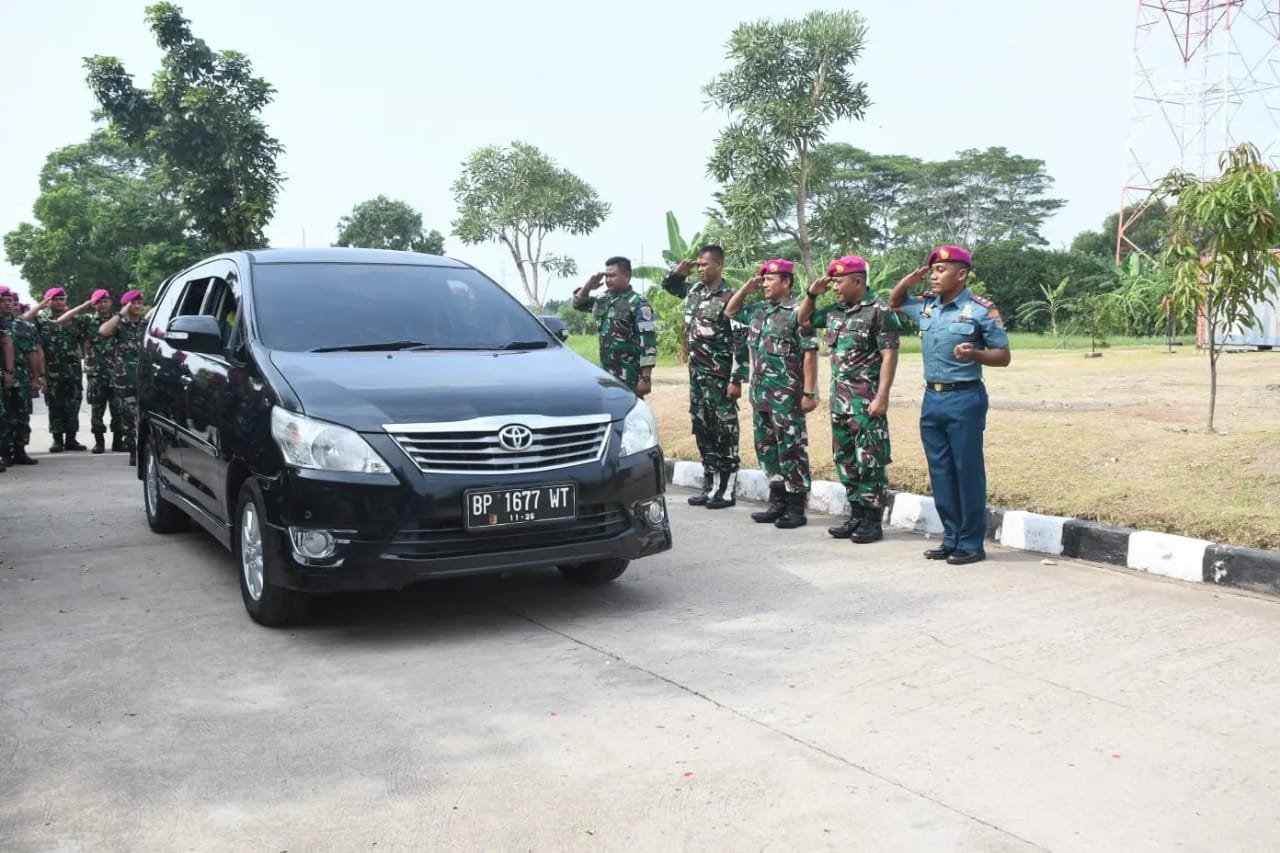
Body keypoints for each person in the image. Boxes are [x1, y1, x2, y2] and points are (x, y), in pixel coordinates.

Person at [888, 245, 1011, 565]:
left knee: (966, 471)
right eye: (932, 270)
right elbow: (895, 302)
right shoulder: (927, 306)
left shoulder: (981, 310)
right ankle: (951, 536)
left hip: (964, 398)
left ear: (961, 274)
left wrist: (974, 354)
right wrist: (907, 282)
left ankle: (971, 543)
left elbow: (1003, 356)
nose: (934, 276)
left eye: (941, 270)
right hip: (932, 398)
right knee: (940, 471)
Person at [798, 255, 901, 544]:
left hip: (866, 402)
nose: (835, 288)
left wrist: (882, 396)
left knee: (870, 461)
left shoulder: (879, 312)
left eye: (839, 282)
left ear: (858, 281)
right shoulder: (835, 312)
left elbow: (889, 356)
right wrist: (811, 295)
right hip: (839, 403)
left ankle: (872, 521)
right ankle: (856, 514)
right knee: (845, 459)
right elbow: (803, 319)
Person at [726, 259, 818, 529]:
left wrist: (809, 393)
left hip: (787, 396)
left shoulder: (799, 312)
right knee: (766, 449)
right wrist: (747, 287)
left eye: (770, 279)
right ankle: (778, 502)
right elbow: (730, 311)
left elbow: (810, 354)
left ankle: (796, 507)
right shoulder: (758, 310)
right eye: (763, 279)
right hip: (761, 396)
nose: (765, 283)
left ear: (786, 282)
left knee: (791, 449)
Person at [661, 245, 750, 509]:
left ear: (719, 265)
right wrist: (678, 273)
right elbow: (669, 286)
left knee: (725, 431)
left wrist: (736, 379)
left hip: (720, 377)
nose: (700, 269)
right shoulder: (694, 292)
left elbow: (740, 341)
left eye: (705, 264)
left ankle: (727, 490)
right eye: (698, 265)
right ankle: (710, 486)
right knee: (702, 428)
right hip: (697, 377)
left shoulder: (730, 297)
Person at [571, 256, 658, 397]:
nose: (607, 280)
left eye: (612, 276)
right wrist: (588, 286)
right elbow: (578, 304)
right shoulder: (603, 300)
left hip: (629, 376)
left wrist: (646, 378)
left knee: (630, 410)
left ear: (626, 275)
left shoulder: (638, 304)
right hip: (606, 374)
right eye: (606, 276)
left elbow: (648, 342)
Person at [58, 289, 122, 453]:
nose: (103, 304)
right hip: (96, 373)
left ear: (111, 303)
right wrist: (83, 306)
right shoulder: (87, 321)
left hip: (117, 373)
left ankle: (118, 441)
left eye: (106, 301)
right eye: (99, 302)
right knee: (97, 411)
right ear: (94, 304)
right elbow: (62, 320)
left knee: (119, 410)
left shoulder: (118, 320)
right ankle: (99, 442)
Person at [28, 287, 89, 452]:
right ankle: (57, 440)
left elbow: (85, 341)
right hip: (52, 371)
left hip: (73, 371)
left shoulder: (76, 319)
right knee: (55, 406)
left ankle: (71, 439)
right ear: (47, 302)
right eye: (54, 299)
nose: (59, 302)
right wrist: (41, 375)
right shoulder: (40, 320)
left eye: (62, 299)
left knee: (73, 405)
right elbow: (24, 319)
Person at [99, 289, 148, 466]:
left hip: (145, 378)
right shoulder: (120, 324)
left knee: (145, 415)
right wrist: (121, 314)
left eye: (140, 303)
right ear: (126, 305)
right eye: (134, 303)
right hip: (125, 379)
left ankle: (145, 449)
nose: (138, 306)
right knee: (128, 417)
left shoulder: (146, 324)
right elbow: (103, 331)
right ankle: (133, 451)